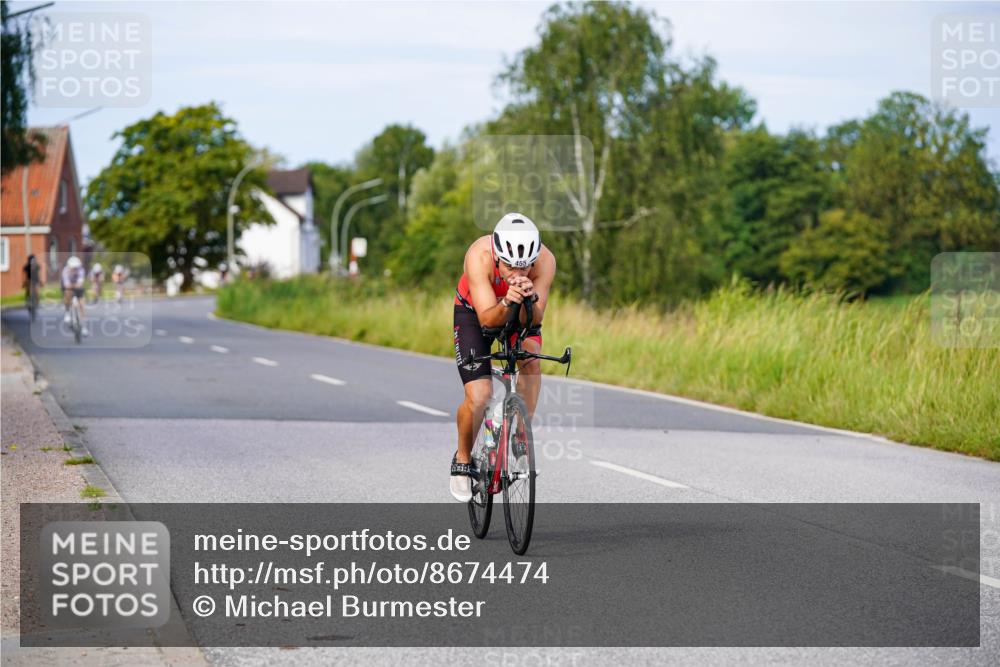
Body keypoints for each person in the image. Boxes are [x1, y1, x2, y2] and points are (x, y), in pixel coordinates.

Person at [450, 213, 556, 502]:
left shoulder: (546, 261)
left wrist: (527, 301)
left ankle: (521, 436)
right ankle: (462, 459)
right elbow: (487, 320)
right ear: (497, 256)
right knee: (480, 394)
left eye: (525, 267)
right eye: (510, 266)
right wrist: (509, 299)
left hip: (519, 311)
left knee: (531, 360)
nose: (517, 273)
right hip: (476, 313)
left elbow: (532, 321)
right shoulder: (479, 255)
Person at [61, 256, 88, 336]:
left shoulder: (81, 270)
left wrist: (74, 285)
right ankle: (67, 312)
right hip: (69, 287)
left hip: (77, 288)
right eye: (73, 268)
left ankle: (84, 327)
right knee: (67, 292)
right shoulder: (65, 271)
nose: (74, 269)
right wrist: (71, 286)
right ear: (69, 267)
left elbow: (80, 283)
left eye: (76, 267)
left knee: (82, 305)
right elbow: (66, 284)